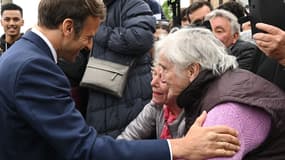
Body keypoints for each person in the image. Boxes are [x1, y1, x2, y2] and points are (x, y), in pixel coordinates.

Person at [0, 0, 241, 160]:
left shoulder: (24, 55)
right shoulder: (35, 66)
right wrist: (180, 147)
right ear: (68, 27)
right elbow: (85, 149)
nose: (89, 45)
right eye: (88, 37)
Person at [155, 27, 285, 159]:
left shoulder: (226, 111)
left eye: (165, 69)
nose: (160, 78)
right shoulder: (224, 83)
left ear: (192, 70)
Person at [86, 0, 155, 138]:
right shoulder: (91, 7)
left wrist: (96, 30)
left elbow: (140, 38)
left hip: (128, 96)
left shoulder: (133, 3)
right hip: (100, 90)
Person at [117, 65, 184, 140]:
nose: (152, 83)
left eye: (163, 79)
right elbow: (128, 137)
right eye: (154, 74)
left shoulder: (194, 115)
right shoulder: (157, 106)